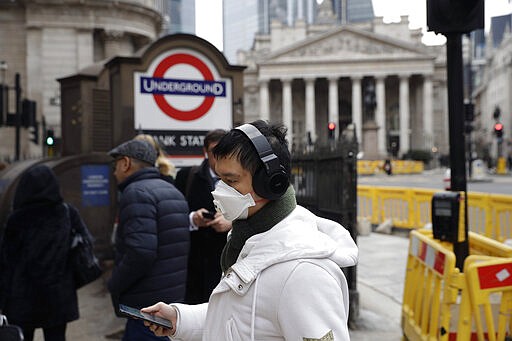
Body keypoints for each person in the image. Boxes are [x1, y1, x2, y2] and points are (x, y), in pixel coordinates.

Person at [141, 120, 359, 340]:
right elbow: (238, 317)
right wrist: (181, 319)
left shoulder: (304, 274)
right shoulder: (247, 239)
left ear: (271, 184)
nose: (220, 190)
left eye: (231, 180)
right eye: (220, 179)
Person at [107, 139, 190, 341]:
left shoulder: (136, 193)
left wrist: (114, 283)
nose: (114, 171)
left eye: (115, 164)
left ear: (125, 163)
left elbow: (140, 252)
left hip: (144, 308)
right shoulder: (173, 191)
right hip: (169, 302)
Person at [0, 164, 84, 341]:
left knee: (22, 336)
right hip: (58, 296)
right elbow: (82, 250)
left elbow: (6, 263)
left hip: (22, 298)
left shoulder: (17, 219)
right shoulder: (67, 213)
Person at [175, 129, 232, 304]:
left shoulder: (241, 180)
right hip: (195, 265)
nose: (220, 157)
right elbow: (174, 217)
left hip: (227, 265)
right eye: (215, 152)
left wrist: (231, 223)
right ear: (205, 152)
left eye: (225, 151)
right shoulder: (187, 176)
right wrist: (193, 219)